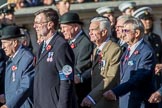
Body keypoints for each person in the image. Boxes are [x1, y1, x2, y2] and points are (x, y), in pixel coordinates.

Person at [103, 18, 157, 108]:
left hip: (139, 103)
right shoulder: (128, 49)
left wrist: (116, 91)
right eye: (123, 30)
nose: (123, 34)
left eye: (126, 31)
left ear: (137, 33)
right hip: (126, 101)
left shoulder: (146, 52)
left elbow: (138, 78)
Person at [33, 8, 77, 108]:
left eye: (38, 23)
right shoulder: (41, 47)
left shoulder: (61, 46)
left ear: (50, 25)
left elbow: (66, 80)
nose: (34, 26)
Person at [81, 16, 122, 108]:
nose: (90, 33)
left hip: (106, 100)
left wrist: (92, 97)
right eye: (89, 30)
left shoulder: (114, 49)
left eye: (93, 30)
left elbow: (111, 77)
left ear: (104, 32)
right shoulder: (96, 50)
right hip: (96, 100)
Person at [60, 12, 93, 108]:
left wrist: (61, 74)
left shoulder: (84, 43)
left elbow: (80, 67)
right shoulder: (70, 41)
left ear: (75, 27)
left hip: (80, 92)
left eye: (64, 27)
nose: (62, 31)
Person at [0, 25, 35, 108]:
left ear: (15, 43)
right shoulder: (11, 58)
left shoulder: (27, 58)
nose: (2, 47)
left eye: (5, 43)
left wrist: (9, 105)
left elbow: (26, 86)